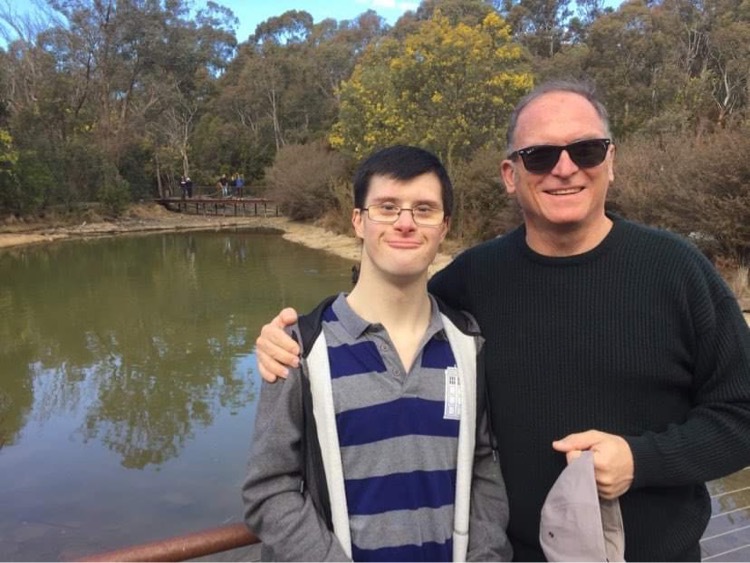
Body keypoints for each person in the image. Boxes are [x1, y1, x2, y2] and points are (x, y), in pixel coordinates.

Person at [253, 80, 750, 561]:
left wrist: (642, 460)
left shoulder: (677, 270)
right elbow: (389, 302)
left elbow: (741, 415)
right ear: (511, 174)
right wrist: (287, 336)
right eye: (539, 155)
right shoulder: (474, 278)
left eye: (586, 150)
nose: (564, 168)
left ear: (611, 162)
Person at [242, 145, 512, 562]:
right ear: (358, 221)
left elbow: (482, 468)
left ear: (444, 226)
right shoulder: (300, 349)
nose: (405, 223)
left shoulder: (467, 345)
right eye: (387, 207)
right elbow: (269, 488)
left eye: (424, 209)